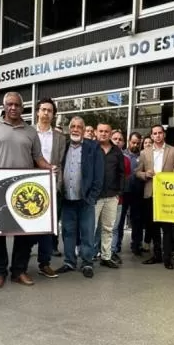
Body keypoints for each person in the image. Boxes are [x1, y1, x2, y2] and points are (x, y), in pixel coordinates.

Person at [0, 92, 54, 288]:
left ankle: (19, 271)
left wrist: (49, 168)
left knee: (23, 232)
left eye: (17, 105)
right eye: (9, 104)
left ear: (22, 107)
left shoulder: (30, 131)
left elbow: (38, 158)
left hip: (23, 187)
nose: (13, 108)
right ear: (4, 106)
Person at [56, 118, 104, 278]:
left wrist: (92, 197)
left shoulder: (93, 147)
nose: (76, 129)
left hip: (85, 201)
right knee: (68, 232)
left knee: (87, 232)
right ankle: (69, 261)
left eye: (79, 127)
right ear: (69, 129)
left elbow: (99, 176)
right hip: (67, 199)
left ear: (84, 130)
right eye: (73, 127)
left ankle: (87, 263)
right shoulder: (64, 146)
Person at [136, 125, 174, 269]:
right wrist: (145, 175)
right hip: (150, 193)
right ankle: (156, 255)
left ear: (164, 134)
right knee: (153, 227)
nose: (157, 135)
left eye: (160, 133)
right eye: (154, 133)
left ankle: (167, 258)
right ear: (151, 136)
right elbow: (137, 172)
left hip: (167, 195)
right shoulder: (144, 152)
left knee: (167, 228)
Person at [32, 98, 67, 278]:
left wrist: (59, 184)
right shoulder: (27, 132)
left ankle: (44, 263)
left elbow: (60, 163)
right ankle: (20, 265)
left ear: (53, 115)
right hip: (30, 184)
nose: (46, 113)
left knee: (49, 226)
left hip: (52, 185)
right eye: (43, 110)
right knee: (27, 225)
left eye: (50, 111)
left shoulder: (61, 137)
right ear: (37, 112)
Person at [94, 123, 124, 269]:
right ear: (96, 132)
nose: (104, 133)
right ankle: (88, 257)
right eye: (101, 131)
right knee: (90, 228)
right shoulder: (91, 148)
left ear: (110, 133)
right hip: (94, 197)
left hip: (112, 196)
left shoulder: (117, 151)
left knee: (108, 228)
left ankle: (106, 256)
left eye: (106, 131)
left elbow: (121, 173)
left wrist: (118, 193)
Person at [113, 131, 144, 257]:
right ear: (128, 141)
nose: (135, 145)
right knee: (119, 220)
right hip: (123, 192)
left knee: (137, 220)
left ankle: (136, 245)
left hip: (137, 192)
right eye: (133, 142)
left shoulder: (143, 156)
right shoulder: (121, 154)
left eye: (137, 142)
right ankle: (117, 245)